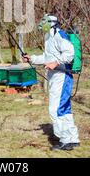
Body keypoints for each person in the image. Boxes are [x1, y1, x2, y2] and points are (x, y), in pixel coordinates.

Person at [23, 14, 80, 151]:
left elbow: (69, 53)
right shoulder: (49, 36)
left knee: (55, 109)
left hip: (62, 76)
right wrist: (32, 59)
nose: (42, 25)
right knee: (64, 109)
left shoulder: (59, 35)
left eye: (44, 23)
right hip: (55, 77)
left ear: (51, 23)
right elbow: (47, 57)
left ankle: (65, 140)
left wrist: (56, 63)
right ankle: (73, 138)